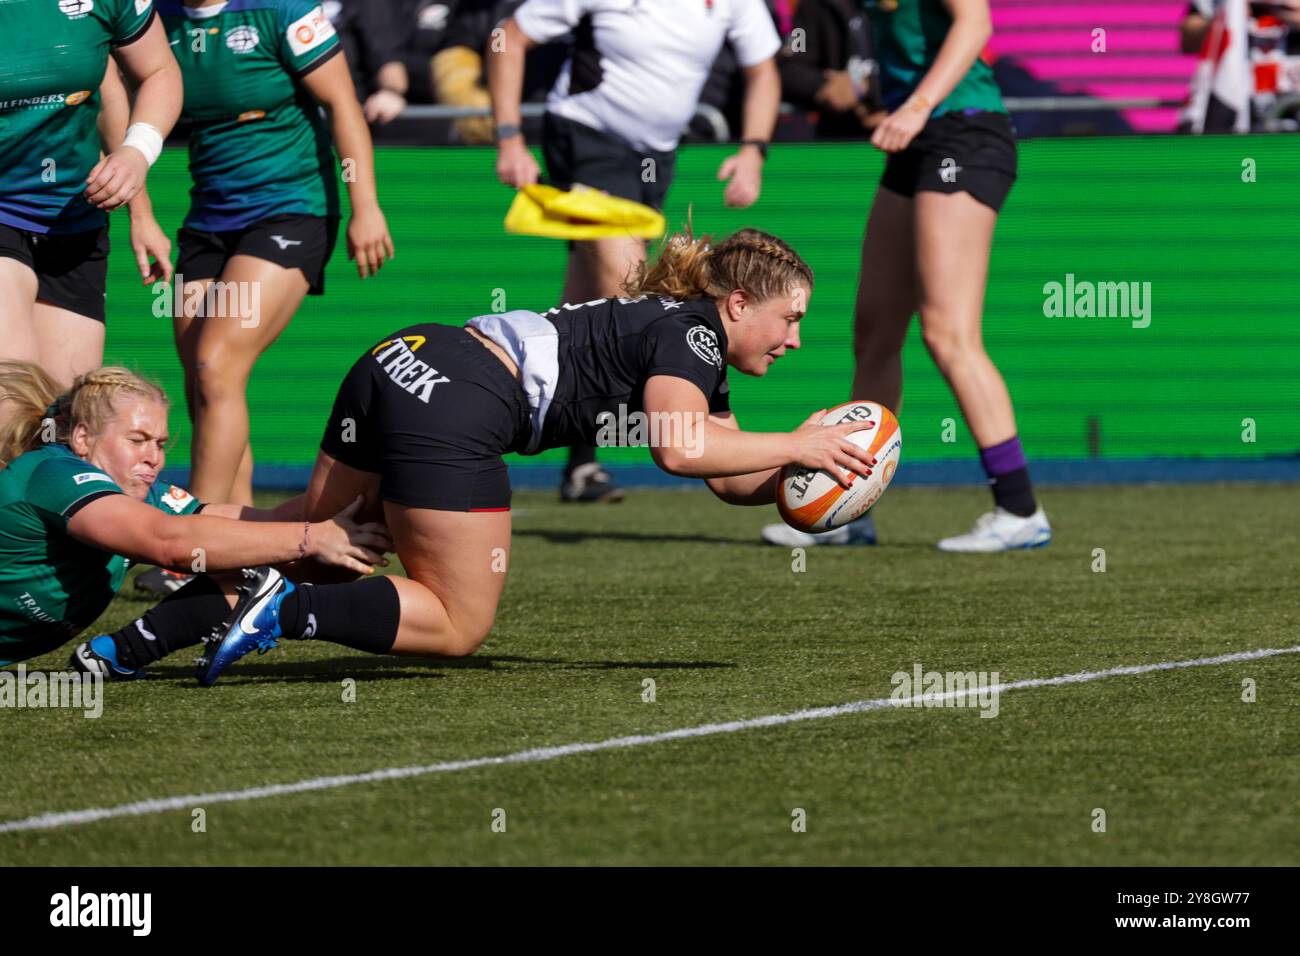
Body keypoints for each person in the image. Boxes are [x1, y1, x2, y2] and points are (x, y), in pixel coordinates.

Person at [78, 227, 878, 686]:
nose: (796, 339)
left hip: (403, 357)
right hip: (457, 401)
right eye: (790, 318)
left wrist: (799, 478)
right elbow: (677, 449)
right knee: (457, 623)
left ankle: (123, 633)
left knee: (306, 536)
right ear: (739, 303)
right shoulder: (695, 334)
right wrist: (804, 443)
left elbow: (724, 466)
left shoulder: (681, 331)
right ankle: (280, 612)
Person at [761, 0, 1051, 553]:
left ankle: (1020, 509)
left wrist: (916, 104)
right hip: (919, 144)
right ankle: (850, 503)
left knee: (949, 334)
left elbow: (976, 22)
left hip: (966, 134)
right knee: (874, 332)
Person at [135, 0, 396, 597]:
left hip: (292, 212)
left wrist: (367, 207)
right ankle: (248, 548)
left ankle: (191, 549)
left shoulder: (282, 11)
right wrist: (140, 216)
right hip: (207, 223)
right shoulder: (156, 23)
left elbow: (344, 105)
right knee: (208, 386)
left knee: (216, 363)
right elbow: (122, 115)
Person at [488, 0, 782, 503]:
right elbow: (507, 37)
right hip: (584, 136)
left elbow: (763, 71)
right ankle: (702, 433)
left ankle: (576, 461)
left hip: (657, 156)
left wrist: (754, 148)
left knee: (594, 297)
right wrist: (509, 137)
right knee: (635, 287)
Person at [0, 362, 391, 671]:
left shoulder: (139, 494)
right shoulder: (55, 474)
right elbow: (171, 545)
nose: (153, 457)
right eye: (137, 441)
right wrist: (311, 539)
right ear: (83, 438)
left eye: (160, 444)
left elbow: (247, 524)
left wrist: (369, 493)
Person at [0, 0, 181, 393]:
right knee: (12, 396)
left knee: (60, 416)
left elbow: (157, 72)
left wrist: (136, 158)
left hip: (74, 222)